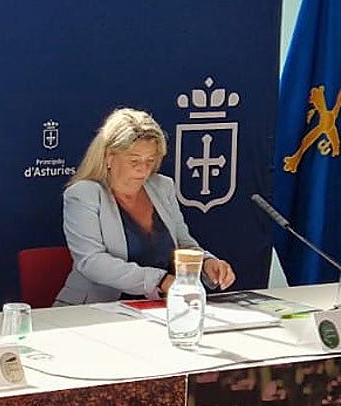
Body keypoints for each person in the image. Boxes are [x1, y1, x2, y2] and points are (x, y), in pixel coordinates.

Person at [55, 107, 235, 305]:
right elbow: (91, 262)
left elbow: (183, 243)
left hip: (157, 306)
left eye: (150, 161)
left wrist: (206, 262)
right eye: (134, 161)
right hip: (92, 309)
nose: (143, 170)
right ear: (109, 157)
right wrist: (159, 281)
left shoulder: (162, 186)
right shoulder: (83, 194)